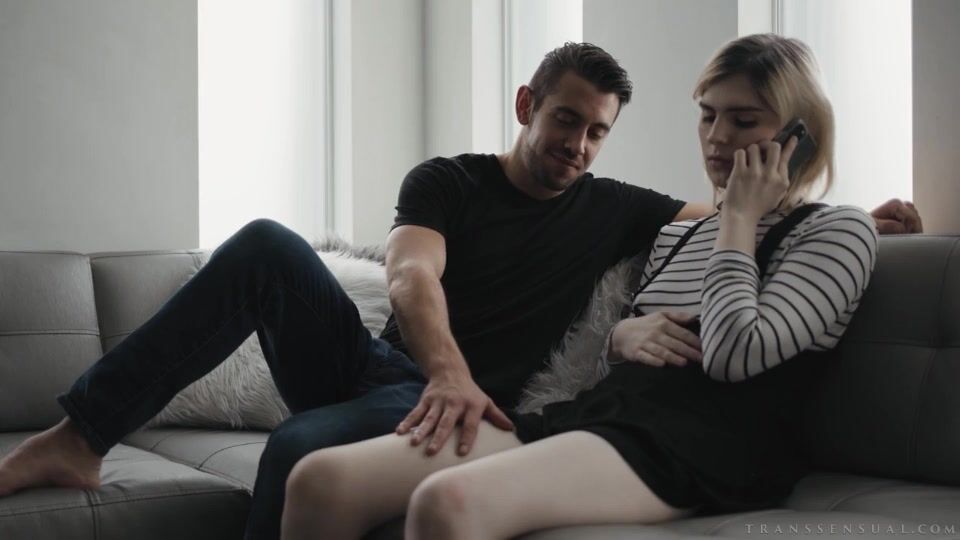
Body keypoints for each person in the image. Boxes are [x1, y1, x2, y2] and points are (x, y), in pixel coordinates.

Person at [0, 40, 918, 540]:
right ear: (526, 106)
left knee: (304, 453)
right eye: (565, 121)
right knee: (266, 245)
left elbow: (748, 239)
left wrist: (855, 215)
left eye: (598, 132)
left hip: (496, 407)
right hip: (409, 376)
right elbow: (410, 273)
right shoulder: (449, 181)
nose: (579, 146)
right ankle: (80, 436)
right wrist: (452, 369)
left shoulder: (628, 209)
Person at [276, 34, 884, 540]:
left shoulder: (835, 230)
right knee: (322, 481)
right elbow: (618, 351)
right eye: (708, 115)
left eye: (744, 120)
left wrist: (741, 220)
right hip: (599, 414)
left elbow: (732, 354)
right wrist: (622, 335)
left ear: (799, 135)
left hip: (705, 446)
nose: (717, 137)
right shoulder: (680, 235)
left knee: (447, 503)